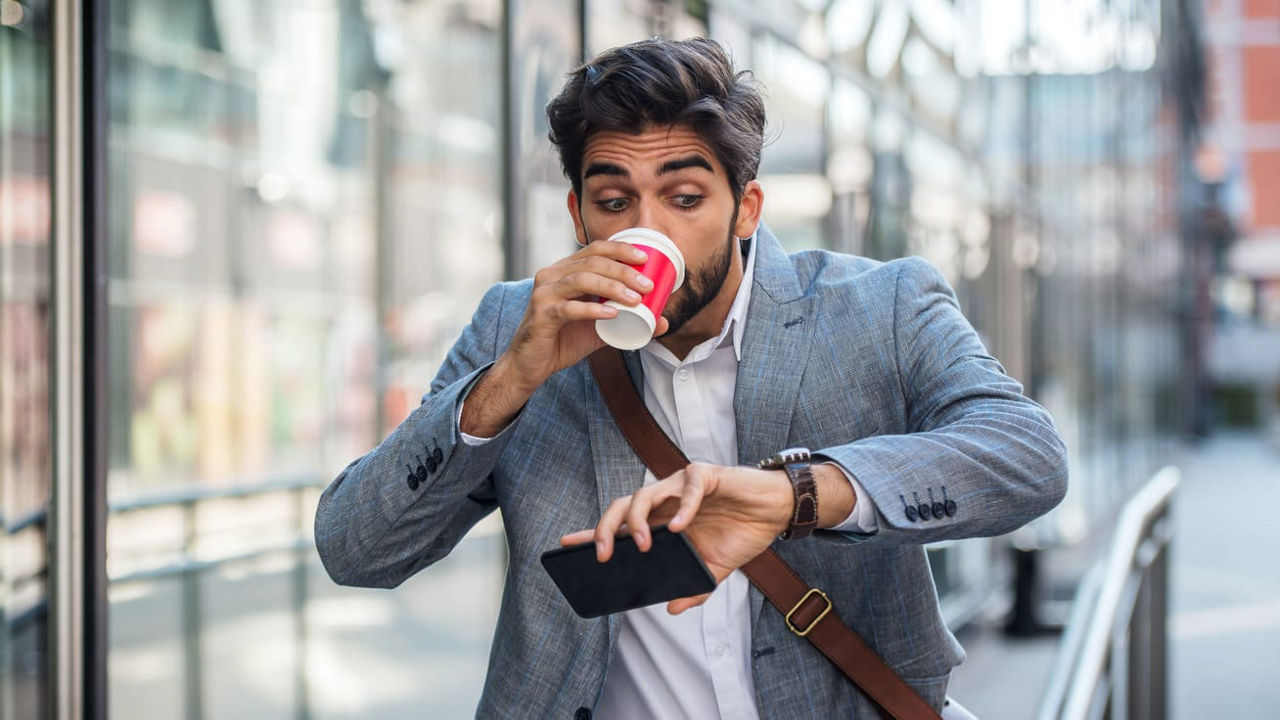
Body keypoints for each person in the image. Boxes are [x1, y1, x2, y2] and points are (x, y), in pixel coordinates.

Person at [315, 37, 1068, 719]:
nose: (650, 228)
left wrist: (796, 495)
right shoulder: (518, 325)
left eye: (684, 198)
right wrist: (510, 380)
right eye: (615, 203)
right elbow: (357, 549)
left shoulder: (878, 306)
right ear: (579, 215)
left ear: (746, 208)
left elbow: (1027, 456)